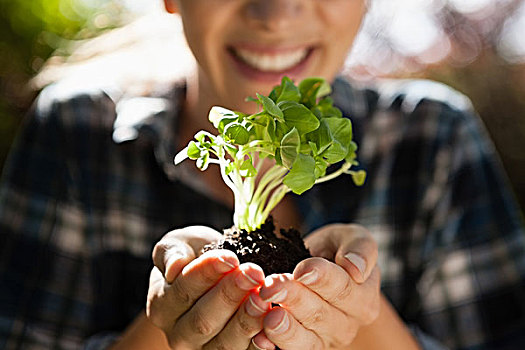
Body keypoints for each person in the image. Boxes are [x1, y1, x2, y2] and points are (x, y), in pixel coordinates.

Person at [1, 0, 524, 349]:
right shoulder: (77, 134)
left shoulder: (434, 139)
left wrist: (360, 316)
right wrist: (169, 326)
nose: (275, 14)